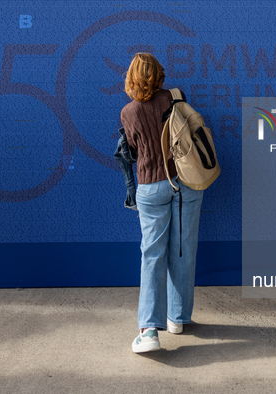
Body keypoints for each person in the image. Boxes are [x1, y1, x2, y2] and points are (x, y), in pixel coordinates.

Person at [120, 53, 204, 353]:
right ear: (159, 73)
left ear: (131, 77)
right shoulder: (175, 98)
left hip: (152, 187)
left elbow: (132, 150)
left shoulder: (128, 112)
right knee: (183, 248)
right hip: (187, 182)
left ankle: (149, 332)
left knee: (152, 255)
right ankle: (178, 319)